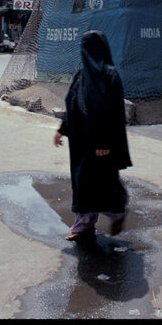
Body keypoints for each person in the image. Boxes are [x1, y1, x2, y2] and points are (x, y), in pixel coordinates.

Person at [54, 30, 132, 241]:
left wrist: (103, 141)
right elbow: (72, 104)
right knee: (82, 184)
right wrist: (62, 129)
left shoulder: (110, 76)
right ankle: (84, 226)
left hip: (102, 144)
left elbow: (114, 114)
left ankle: (117, 214)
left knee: (103, 182)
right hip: (81, 142)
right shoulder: (81, 75)